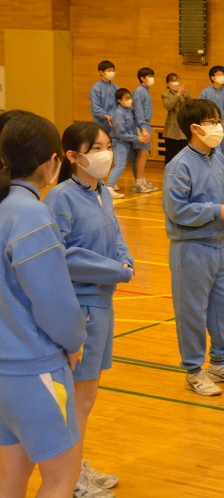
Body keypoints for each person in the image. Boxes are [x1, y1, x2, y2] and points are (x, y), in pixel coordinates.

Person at [0, 112, 87, 498]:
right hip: (32, 370)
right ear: (52, 162)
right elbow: (55, 305)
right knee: (60, 478)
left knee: (10, 478)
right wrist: (73, 342)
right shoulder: (31, 214)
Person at [45, 122, 134, 498]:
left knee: (88, 397)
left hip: (104, 304)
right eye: (96, 147)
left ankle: (76, 465)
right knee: (77, 399)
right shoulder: (60, 198)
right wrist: (117, 269)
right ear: (72, 156)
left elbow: (115, 238)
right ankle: (70, 477)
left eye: (108, 145)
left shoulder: (103, 193)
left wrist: (126, 259)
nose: (105, 153)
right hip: (81, 308)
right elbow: (62, 255)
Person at [162, 99, 224, 397]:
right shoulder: (179, 166)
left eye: (218, 120)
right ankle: (193, 371)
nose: (218, 126)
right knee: (192, 311)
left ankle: (219, 362)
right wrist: (217, 210)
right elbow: (177, 210)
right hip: (191, 248)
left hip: (219, 247)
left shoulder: (218, 158)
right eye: (212, 121)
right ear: (195, 128)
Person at [197, 65, 224, 160]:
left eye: (222, 74)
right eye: (218, 74)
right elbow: (200, 111)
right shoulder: (205, 92)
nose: (221, 76)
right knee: (214, 151)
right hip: (210, 126)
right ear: (212, 78)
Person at [106, 89, 138, 200]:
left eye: (130, 97)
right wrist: (138, 138)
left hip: (127, 142)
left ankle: (113, 183)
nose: (129, 100)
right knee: (120, 164)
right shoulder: (118, 113)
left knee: (130, 162)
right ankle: (109, 187)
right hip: (119, 142)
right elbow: (121, 134)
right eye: (126, 98)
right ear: (119, 101)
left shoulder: (128, 110)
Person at [132, 67, 158, 193]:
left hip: (146, 124)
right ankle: (139, 181)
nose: (151, 78)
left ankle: (141, 179)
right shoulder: (139, 91)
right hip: (142, 125)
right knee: (143, 153)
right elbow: (138, 111)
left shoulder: (145, 91)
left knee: (145, 153)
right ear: (142, 78)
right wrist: (143, 127)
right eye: (148, 76)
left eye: (152, 75)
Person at [161, 73, 190, 164]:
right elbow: (169, 106)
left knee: (185, 154)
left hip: (183, 128)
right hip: (172, 130)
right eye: (173, 81)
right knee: (171, 154)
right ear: (168, 84)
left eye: (177, 80)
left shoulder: (184, 93)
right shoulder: (166, 95)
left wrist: (185, 95)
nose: (176, 83)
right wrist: (178, 95)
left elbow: (191, 105)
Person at [89, 61, 118, 133]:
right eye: (109, 71)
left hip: (113, 121)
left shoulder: (115, 87)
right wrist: (107, 117)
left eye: (113, 71)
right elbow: (96, 108)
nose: (112, 73)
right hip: (101, 122)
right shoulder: (96, 88)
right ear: (101, 72)